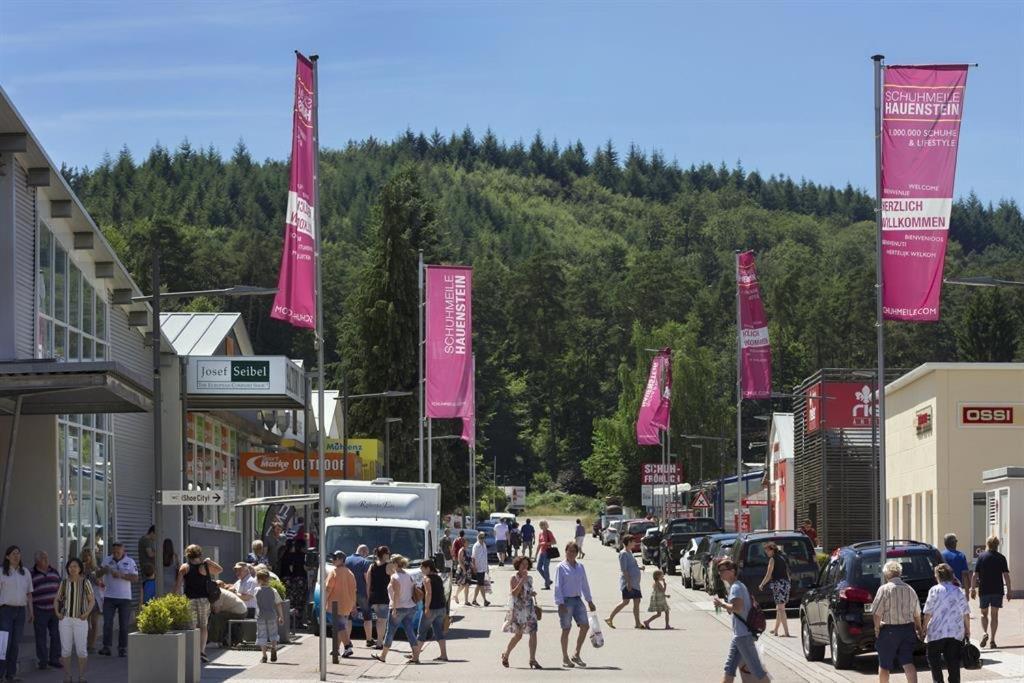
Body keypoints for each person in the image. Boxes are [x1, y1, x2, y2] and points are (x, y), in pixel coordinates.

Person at [714, 558, 770, 683]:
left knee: (757, 670)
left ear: (732, 571)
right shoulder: (737, 586)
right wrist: (723, 604)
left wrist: (722, 604)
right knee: (729, 668)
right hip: (739, 635)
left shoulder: (736, 588)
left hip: (743, 635)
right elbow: (735, 610)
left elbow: (737, 609)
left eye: (723, 570)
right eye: (719, 571)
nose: (720, 573)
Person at [871, 559, 922, 683]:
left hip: (889, 630)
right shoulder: (910, 589)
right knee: (908, 662)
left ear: (886, 574)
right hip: (908, 629)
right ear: (899, 573)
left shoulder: (884, 589)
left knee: (884, 665)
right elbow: (917, 613)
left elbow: (876, 613)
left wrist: (877, 628)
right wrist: (919, 628)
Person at [175, 543, 223, 663]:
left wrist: (175, 599)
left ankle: (192, 652)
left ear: (187, 555)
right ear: (200, 554)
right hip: (204, 600)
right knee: (203, 626)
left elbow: (177, 586)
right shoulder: (204, 567)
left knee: (191, 627)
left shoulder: (184, 567)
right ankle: (202, 651)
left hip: (189, 599)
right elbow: (220, 570)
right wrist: (209, 561)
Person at [923, 563, 970, 683]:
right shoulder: (958, 591)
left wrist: (924, 627)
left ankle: (938, 681)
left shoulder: (934, 590)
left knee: (934, 660)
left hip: (936, 632)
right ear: (950, 576)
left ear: (937, 576)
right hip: (955, 632)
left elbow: (928, 612)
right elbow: (965, 613)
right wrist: (967, 630)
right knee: (953, 662)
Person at [370, 555, 421, 664]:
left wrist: (394, 608)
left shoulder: (395, 577)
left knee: (390, 632)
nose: (390, 565)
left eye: (391, 563)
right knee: (410, 631)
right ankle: (416, 656)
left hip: (399, 607)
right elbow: (412, 590)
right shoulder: (408, 575)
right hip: (410, 607)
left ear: (395, 564)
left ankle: (383, 656)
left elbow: (396, 594)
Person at [554, 541, 596, 668]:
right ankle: (565, 657)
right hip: (565, 601)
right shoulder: (560, 567)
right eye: (569, 551)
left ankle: (576, 654)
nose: (571, 553)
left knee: (585, 626)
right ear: (565, 551)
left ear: (577, 553)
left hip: (578, 600)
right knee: (566, 629)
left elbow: (584, 584)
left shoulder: (580, 567)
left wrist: (589, 600)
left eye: (574, 551)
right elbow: (557, 586)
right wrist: (560, 603)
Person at [55, 557, 95, 683]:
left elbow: (92, 600)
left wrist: (87, 614)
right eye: (70, 566)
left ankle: (82, 676)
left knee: (81, 650)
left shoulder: (85, 582)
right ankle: (67, 676)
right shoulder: (64, 583)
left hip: (80, 620)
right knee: (66, 649)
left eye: (75, 566)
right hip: (65, 620)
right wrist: (57, 613)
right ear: (67, 568)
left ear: (80, 569)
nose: (72, 569)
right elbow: (57, 599)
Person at [98, 542, 138, 658]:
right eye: (114, 552)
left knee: (124, 625)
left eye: (118, 552)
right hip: (109, 596)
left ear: (123, 551)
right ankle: (106, 647)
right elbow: (97, 574)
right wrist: (104, 571)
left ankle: (122, 648)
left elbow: (135, 578)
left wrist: (122, 575)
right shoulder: (107, 560)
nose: (116, 554)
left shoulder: (130, 562)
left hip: (125, 598)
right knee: (107, 623)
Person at [0, 546, 34, 681]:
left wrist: (31, 611)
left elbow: (29, 594)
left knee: (15, 644)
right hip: (5, 611)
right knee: (4, 644)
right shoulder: (1, 572)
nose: (17, 556)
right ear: (7, 556)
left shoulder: (25, 572)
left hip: (20, 612)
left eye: (18, 553)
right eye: (13, 554)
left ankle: (11, 674)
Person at [972, 534, 1012, 648]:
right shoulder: (1001, 558)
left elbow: (975, 575)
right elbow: (1006, 575)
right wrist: (1009, 590)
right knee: (994, 615)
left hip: (984, 589)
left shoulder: (981, 557)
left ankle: (985, 633)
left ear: (987, 544)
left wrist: (972, 588)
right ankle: (993, 640)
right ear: (997, 545)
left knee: (984, 614)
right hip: (997, 590)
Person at [502, 556, 540, 669]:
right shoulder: (514, 577)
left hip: (529, 609)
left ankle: (532, 659)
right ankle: (506, 654)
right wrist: (522, 580)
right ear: (518, 565)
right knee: (518, 636)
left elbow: (528, 591)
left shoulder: (530, 578)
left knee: (533, 633)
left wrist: (532, 593)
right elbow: (514, 593)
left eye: (526, 564)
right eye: (522, 564)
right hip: (518, 611)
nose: (525, 566)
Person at [31, 550, 63, 670]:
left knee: (56, 635)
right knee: (41, 636)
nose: (46, 560)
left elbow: (61, 588)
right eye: (43, 558)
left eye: (46, 557)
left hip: (54, 609)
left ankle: (54, 659)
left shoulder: (54, 571)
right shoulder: (31, 574)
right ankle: (42, 661)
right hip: (39, 609)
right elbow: (29, 592)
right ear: (37, 561)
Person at [606, 535, 644, 629]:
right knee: (626, 602)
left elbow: (631, 566)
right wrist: (628, 582)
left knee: (636, 601)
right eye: (633, 541)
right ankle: (610, 618)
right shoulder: (623, 554)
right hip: (629, 583)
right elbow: (624, 569)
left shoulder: (629, 552)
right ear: (628, 542)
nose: (635, 543)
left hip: (635, 583)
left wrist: (639, 568)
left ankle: (637, 623)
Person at [325, 551, 356, 662]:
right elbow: (354, 590)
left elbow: (328, 589)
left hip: (335, 604)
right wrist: (353, 605)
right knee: (339, 627)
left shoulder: (334, 572)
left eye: (335, 558)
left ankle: (348, 646)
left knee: (339, 627)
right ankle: (336, 649)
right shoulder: (350, 573)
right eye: (333, 558)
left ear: (341, 560)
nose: (333, 560)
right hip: (347, 605)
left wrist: (324, 602)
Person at [757, 541, 791, 637]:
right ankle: (775, 630)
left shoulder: (772, 559)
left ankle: (786, 632)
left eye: (767, 551)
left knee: (781, 609)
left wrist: (762, 584)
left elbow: (768, 574)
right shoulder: (782, 557)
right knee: (779, 608)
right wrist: (788, 583)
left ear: (772, 550)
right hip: (786, 583)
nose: (766, 553)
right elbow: (788, 572)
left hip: (778, 584)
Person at [417, 559, 448, 662]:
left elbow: (428, 594)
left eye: (422, 567)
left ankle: (415, 656)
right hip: (441, 608)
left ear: (428, 568)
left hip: (431, 609)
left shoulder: (426, 579)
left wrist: (426, 608)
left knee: (421, 632)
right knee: (439, 632)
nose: (421, 569)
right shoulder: (438, 578)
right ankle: (444, 655)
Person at [345, 545, 373, 646]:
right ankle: (369, 639)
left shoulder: (346, 560)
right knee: (367, 616)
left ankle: (347, 640)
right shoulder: (365, 562)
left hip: (348, 593)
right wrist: (369, 592)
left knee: (348, 617)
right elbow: (367, 578)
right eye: (367, 553)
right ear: (364, 552)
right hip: (362, 593)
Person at [254, 570, 284, 663]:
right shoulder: (273, 591)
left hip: (260, 616)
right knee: (273, 633)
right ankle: (274, 648)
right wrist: (281, 616)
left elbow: (254, 601)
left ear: (258, 580)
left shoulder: (256, 590)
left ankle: (264, 656)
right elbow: (278, 604)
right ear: (268, 579)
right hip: (272, 615)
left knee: (261, 635)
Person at [366, 546, 392, 650]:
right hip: (384, 596)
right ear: (385, 555)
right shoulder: (388, 566)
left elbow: (368, 583)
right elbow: (394, 580)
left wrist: (369, 596)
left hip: (374, 596)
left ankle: (379, 640)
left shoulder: (371, 566)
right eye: (388, 553)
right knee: (383, 620)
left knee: (378, 619)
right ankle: (380, 642)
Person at [279, 539, 308, 628]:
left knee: (290, 601)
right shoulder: (302, 556)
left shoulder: (283, 555)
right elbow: (302, 567)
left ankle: (290, 622)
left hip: (286, 580)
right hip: (300, 580)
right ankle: (298, 623)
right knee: (299, 602)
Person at [80, 548, 103, 653]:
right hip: (83, 598)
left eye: (88, 556)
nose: (86, 558)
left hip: (95, 597)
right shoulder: (80, 569)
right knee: (85, 622)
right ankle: (86, 642)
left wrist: (95, 578)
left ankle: (92, 645)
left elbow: (101, 583)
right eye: (84, 556)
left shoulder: (96, 569)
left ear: (91, 557)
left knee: (94, 622)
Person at [941, 533, 971, 598]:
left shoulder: (940, 555)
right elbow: (965, 576)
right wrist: (967, 593)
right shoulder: (960, 556)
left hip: (943, 590)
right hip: (957, 590)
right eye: (956, 541)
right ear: (953, 543)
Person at [471, 531, 491, 607]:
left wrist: (487, 567)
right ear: (478, 538)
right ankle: (484, 600)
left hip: (483, 567)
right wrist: (474, 567)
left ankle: (474, 600)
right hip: (478, 567)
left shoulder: (484, 545)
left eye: (483, 538)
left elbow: (485, 557)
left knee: (479, 584)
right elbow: (473, 557)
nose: (482, 539)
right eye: (481, 537)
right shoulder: (476, 546)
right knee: (481, 584)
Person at [536, 520, 555, 590]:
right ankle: (548, 580)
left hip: (547, 552)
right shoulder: (540, 533)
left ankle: (547, 585)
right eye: (540, 525)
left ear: (546, 525)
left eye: (543, 524)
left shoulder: (549, 532)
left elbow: (554, 542)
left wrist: (545, 543)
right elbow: (539, 544)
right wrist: (536, 554)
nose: (541, 526)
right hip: (542, 552)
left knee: (546, 568)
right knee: (538, 568)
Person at [454, 540, 472, 605]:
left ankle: (466, 601)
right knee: (462, 585)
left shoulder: (467, 550)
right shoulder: (461, 551)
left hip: (468, 569)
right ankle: (456, 595)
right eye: (466, 542)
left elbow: (469, 560)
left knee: (467, 585)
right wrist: (464, 570)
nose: (468, 543)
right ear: (463, 543)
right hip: (463, 569)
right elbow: (460, 561)